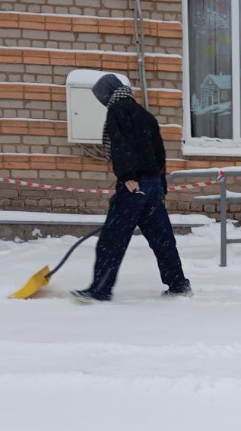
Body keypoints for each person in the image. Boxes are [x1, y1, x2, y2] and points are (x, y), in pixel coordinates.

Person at [72, 74, 192, 302]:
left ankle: (100, 289)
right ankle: (178, 284)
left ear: (107, 94)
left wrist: (127, 175)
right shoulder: (145, 115)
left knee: (112, 240)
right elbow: (159, 153)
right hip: (153, 186)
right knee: (162, 239)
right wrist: (160, 184)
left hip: (134, 187)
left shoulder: (118, 109)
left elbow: (120, 145)